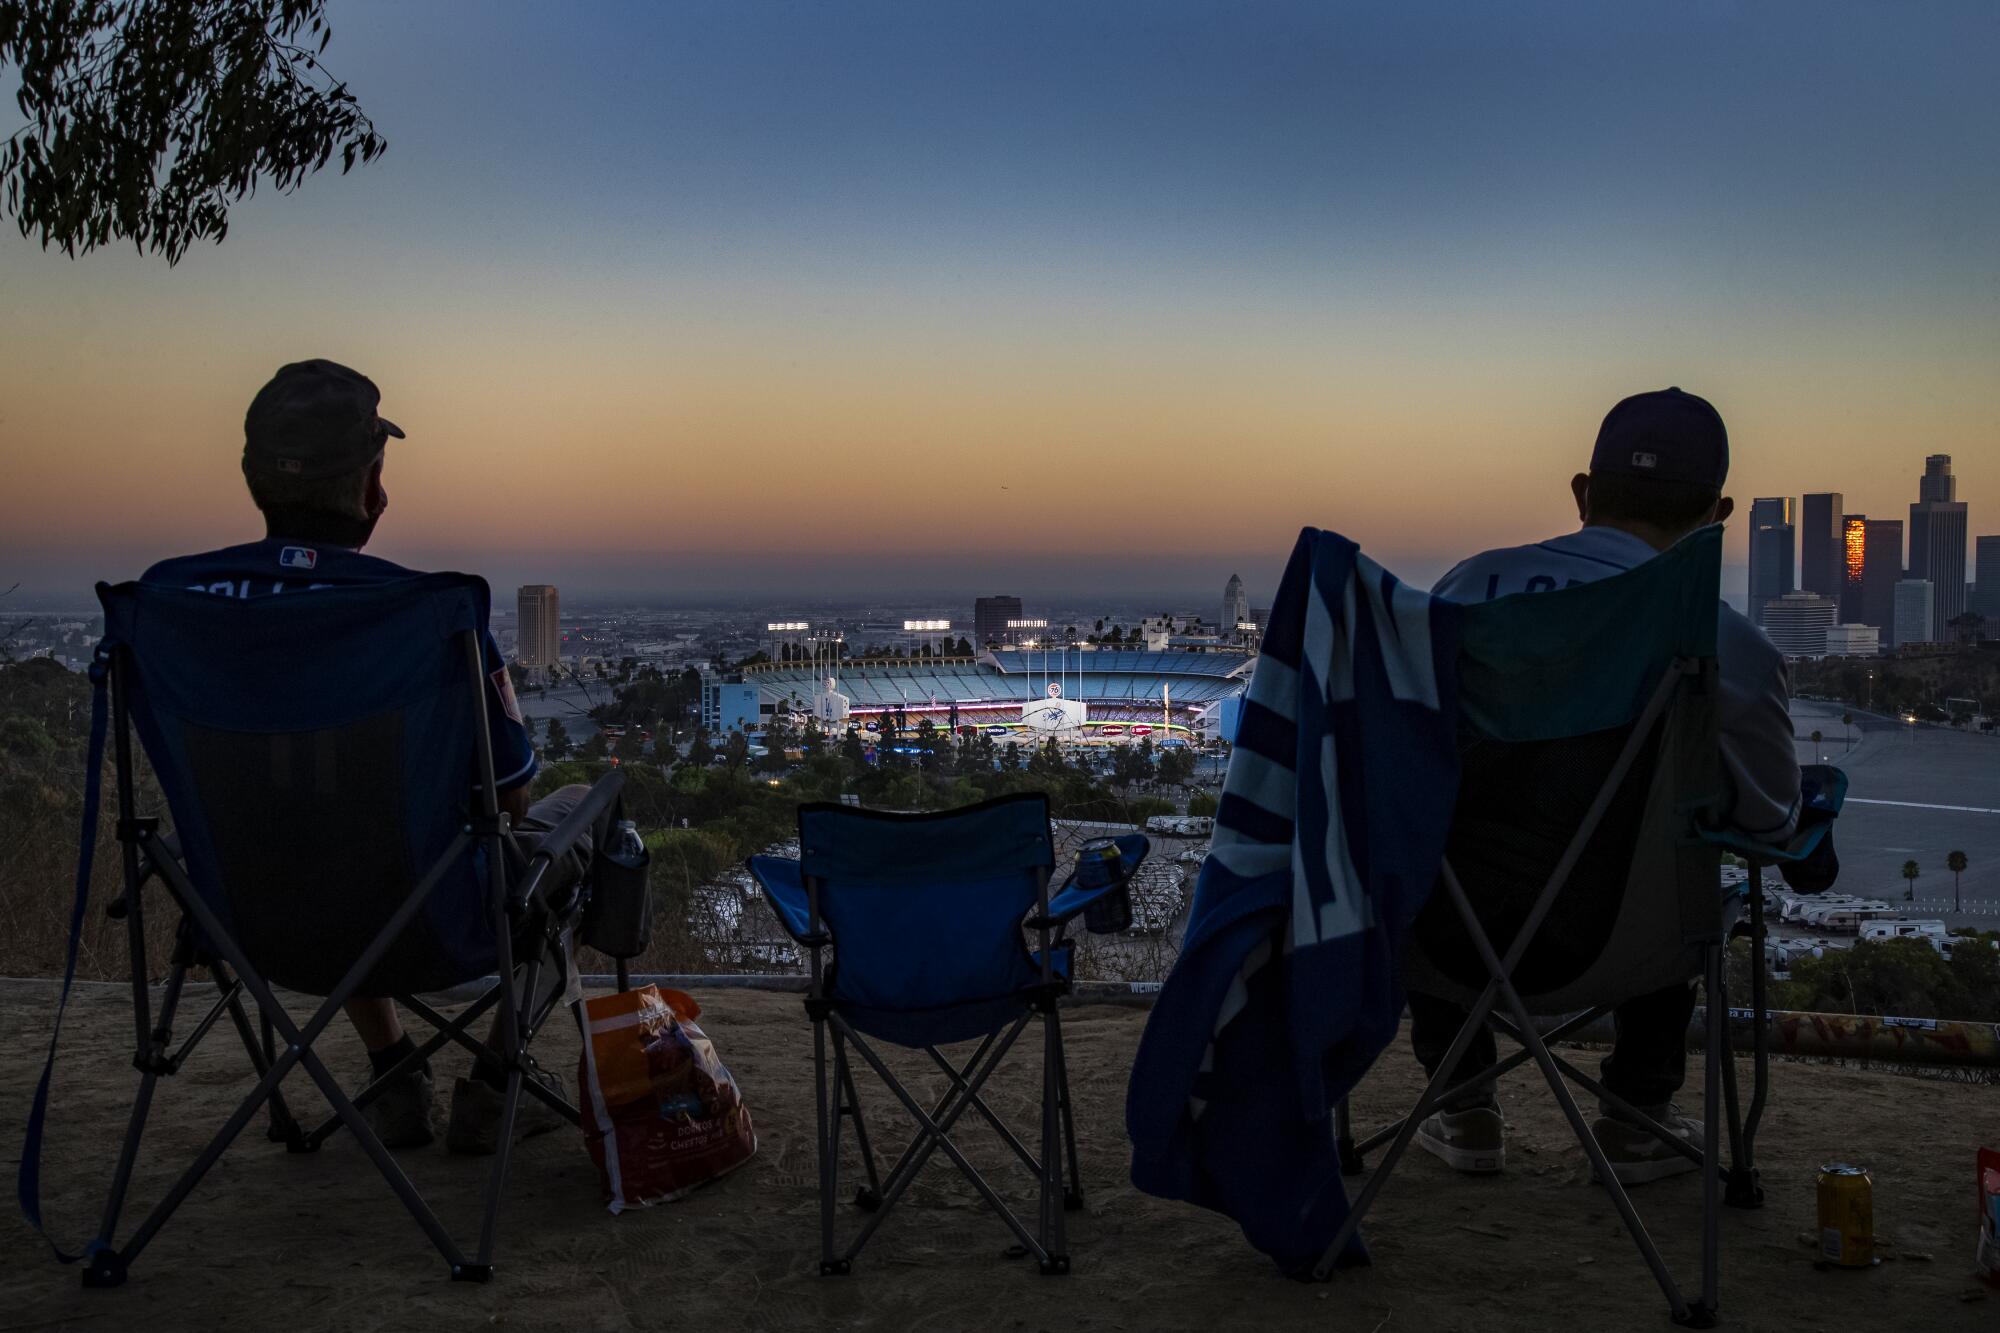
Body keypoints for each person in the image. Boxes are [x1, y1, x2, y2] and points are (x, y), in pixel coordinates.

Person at [141, 359, 592, 1154]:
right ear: (370, 489)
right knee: (590, 818)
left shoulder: (173, 610)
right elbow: (514, 802)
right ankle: (492, 1082)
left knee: (322, 833)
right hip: (433, 924)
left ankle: (394, 1074)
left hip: (251, 921)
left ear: (257, 485)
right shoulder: (430, 616)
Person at [1411, 386, 1804, 1185]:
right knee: (1682, 856)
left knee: (1439, 829)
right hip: (1624, 949)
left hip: (1443, 942)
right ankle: (1633, 1118)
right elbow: (1768, 825)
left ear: (1583, 494)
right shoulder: (1732, 646)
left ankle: (1466, 1107)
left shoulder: (1459, 595)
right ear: (1717, 515)